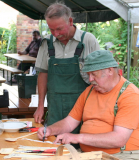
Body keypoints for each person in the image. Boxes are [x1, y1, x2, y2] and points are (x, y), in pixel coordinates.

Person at [37, 50, 139, 160]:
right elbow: (69, 122)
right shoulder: (90, 91)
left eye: (94, 74)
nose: (90, 79)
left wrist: (78, 138)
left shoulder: (129, 95)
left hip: (125, 155)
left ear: (110, 71)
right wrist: (51, 130)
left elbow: (119, 139)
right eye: (89, 74)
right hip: (91, 155)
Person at [34, 2, 100, 133]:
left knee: (82, 146)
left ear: (70, 21)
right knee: (54, 142)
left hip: (84, 106)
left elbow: (99, 75)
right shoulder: (46, 43)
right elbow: (43, 75)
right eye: (51, 29)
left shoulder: (88, 40)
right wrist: (40, 106)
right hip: (55, 107)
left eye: (59, 28)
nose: (56, 33)